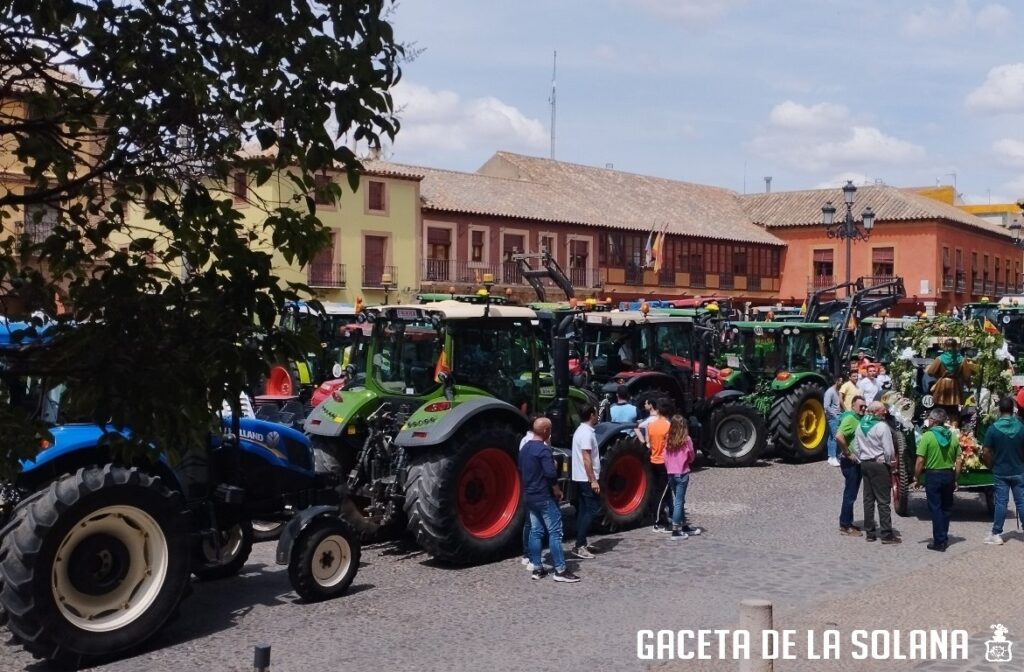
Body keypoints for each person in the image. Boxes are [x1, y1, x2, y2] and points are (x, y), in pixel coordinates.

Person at [518, 417, 580, 582]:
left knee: (536, 532)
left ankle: (537, 568)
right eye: (550, 430)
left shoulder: (525, 448)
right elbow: (551, 474)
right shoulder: (543, 450)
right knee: (555, 532)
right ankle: (560, 569)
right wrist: (557, 490)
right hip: (544, 496)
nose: (551, 433)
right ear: (545, 431)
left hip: (530, 496)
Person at [914, 408, 962, 552]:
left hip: (933, 475)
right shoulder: (952, 436)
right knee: (946, 508)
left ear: (934, 421)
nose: (928, 420)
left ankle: (939, 541)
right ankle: (944, 537)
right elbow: (959, 460)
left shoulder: (927, 436)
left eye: (929, 418)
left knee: (935, 508)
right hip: (948, 475)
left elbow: (920, 461)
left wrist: (916, 477)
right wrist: (956, 478)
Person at [855, 401, 901, 544]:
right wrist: (891, 463)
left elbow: (856, 447)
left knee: (868, 500)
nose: (885, 412)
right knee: (883, 500)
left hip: (865, 463)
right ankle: (886, 534)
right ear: (875, 412)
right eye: (882, 410)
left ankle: (870, 533)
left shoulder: (860, 425)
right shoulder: (882, 426)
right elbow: (888, 450)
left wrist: (861, 459)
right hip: (879, 464)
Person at [982, 396, 1024, 545]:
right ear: (1012, 409)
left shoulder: (993, 429)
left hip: (1000, 471)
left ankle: (996, 534)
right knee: (1021, 502)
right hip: (1019, 469)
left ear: (999, 409)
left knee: (1001, 502)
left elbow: (986, 451)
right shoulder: (1021, 427)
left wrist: (990, 465)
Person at [571, 405, 601, 559]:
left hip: (580, 477)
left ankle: (581, 541)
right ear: (591, 415)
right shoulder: (586, 434)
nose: (597, 415)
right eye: (596, 413)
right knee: (591, 510)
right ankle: (579, 545)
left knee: (583, 510)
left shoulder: (581, 431)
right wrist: (593, 480)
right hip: (586, 478)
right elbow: (586, 458)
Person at [664, 415, 700, 539]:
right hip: (682, 473)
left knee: (679, 500)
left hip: (671, 473)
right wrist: (688, 461)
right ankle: (676, 530)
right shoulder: (686, 439)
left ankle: (684, 525)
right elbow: (691, 455)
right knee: (679, 501)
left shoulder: (668, 438)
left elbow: (665, 457)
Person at [835, 396, 867, 535]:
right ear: (853, 406)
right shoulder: (850, 419)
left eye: (865, 406)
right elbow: (839, 436)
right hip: (850, 462)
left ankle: (848, 522)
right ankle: (845, 525)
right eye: (861, 406)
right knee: (850, 494)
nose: (863, 408)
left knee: (852, 493)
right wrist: (848, 453)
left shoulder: (859, 419)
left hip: (856, 462)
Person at [519, 414, 543, 569]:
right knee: (536, 525)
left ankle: (526, 554)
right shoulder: (536, 442)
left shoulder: (523, 441)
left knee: (529, 523)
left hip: (526, 483)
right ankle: (534, 559)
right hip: (537, 485)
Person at [646, 399, 672, 532]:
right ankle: (659, 521)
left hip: (653, 460)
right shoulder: (668, 426)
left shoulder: (651, 425)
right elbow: (670, 446)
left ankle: (661, 517)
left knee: (657, 491)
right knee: (662, 494)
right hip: (664, 462)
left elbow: (649, 444)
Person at [823, 375, 843, 467]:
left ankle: (831, 457)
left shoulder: (837, 391)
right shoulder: (830, 392)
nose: (842, 383)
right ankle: (834, 456)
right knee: (835, 437)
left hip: (837, 416)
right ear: (836, 381)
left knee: (831, 437)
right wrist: (835, 416)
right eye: (841, 381)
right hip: (833, 417)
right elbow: (826, 406)